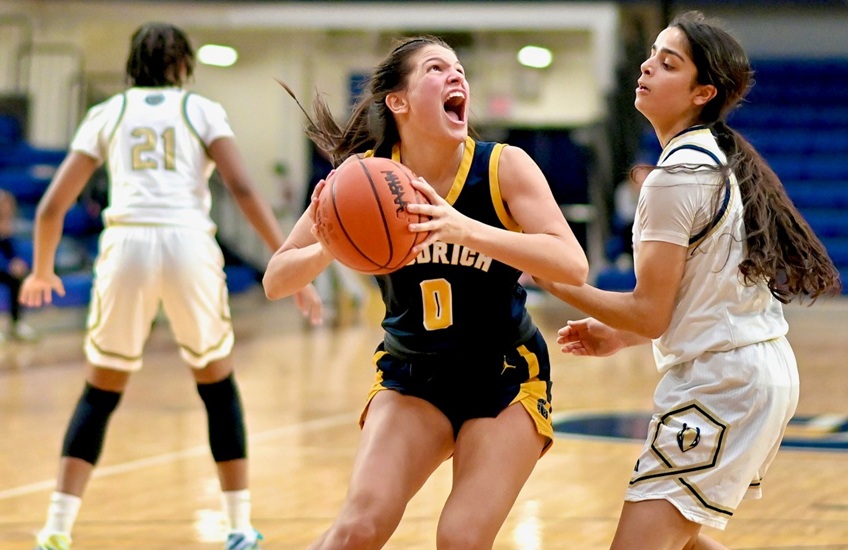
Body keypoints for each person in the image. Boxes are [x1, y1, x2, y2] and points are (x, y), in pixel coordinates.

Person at [264, 35, 588, 549]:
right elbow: (277, 278)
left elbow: (572, 264)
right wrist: (330, 246)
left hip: (503, 378)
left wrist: (463, 228)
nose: (457, 77)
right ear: (399, 101)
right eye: (437, 69)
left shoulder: (503, 167)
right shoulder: (362, 179)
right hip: (412, 375)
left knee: (459, 538)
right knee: (357, 528)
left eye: (460, 69)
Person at [535, 11, 841, 550]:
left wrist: (553, 282)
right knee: (681, 539)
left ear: (702, 91)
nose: (647, 67)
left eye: (668, 63)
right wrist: (622, 333)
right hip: (746, 371)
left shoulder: (677, 175)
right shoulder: (712, 159)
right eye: (651, 54)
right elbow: (697, 293)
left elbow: (651, 311)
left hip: (723, 383)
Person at [20, 22, 322, 550]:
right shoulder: (199, 110)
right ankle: (237, 526)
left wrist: (44, 270)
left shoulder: (106, 114)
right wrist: (288, 257)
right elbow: (244, 188)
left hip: (126, 245)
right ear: (183, 66)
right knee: (217, 384)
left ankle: (56, 527)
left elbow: (50, 208)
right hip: (186, 243)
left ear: (132, 65)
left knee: (101, 389)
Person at [0, 190, 38, 341]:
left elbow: (13, 251)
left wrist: (17, 263)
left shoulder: (7, 227)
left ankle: (16, 325)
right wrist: (6, 265)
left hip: (4, 269)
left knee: (17, 279)